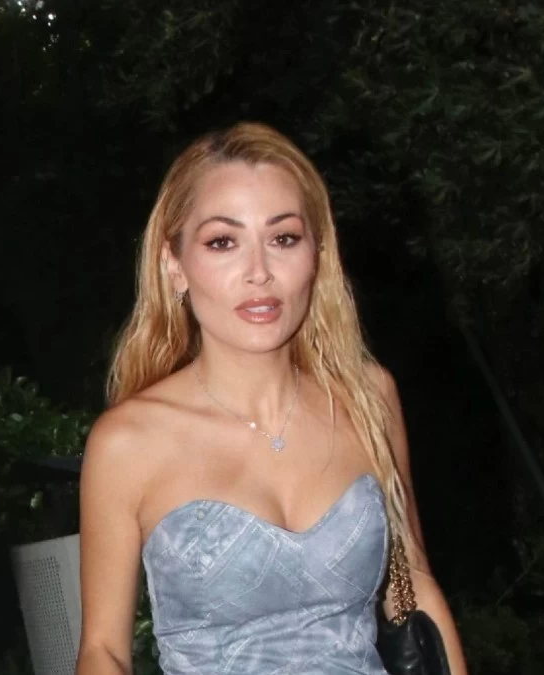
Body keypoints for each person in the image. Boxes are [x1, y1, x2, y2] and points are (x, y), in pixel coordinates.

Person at [75, 122, 467, 673]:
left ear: (317, 254)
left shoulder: (367, 397)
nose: (259, 273)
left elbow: (414, 586)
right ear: (174, 265)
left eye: (283, 238)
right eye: (223, 242)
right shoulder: (129, 442)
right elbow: (103, 650)